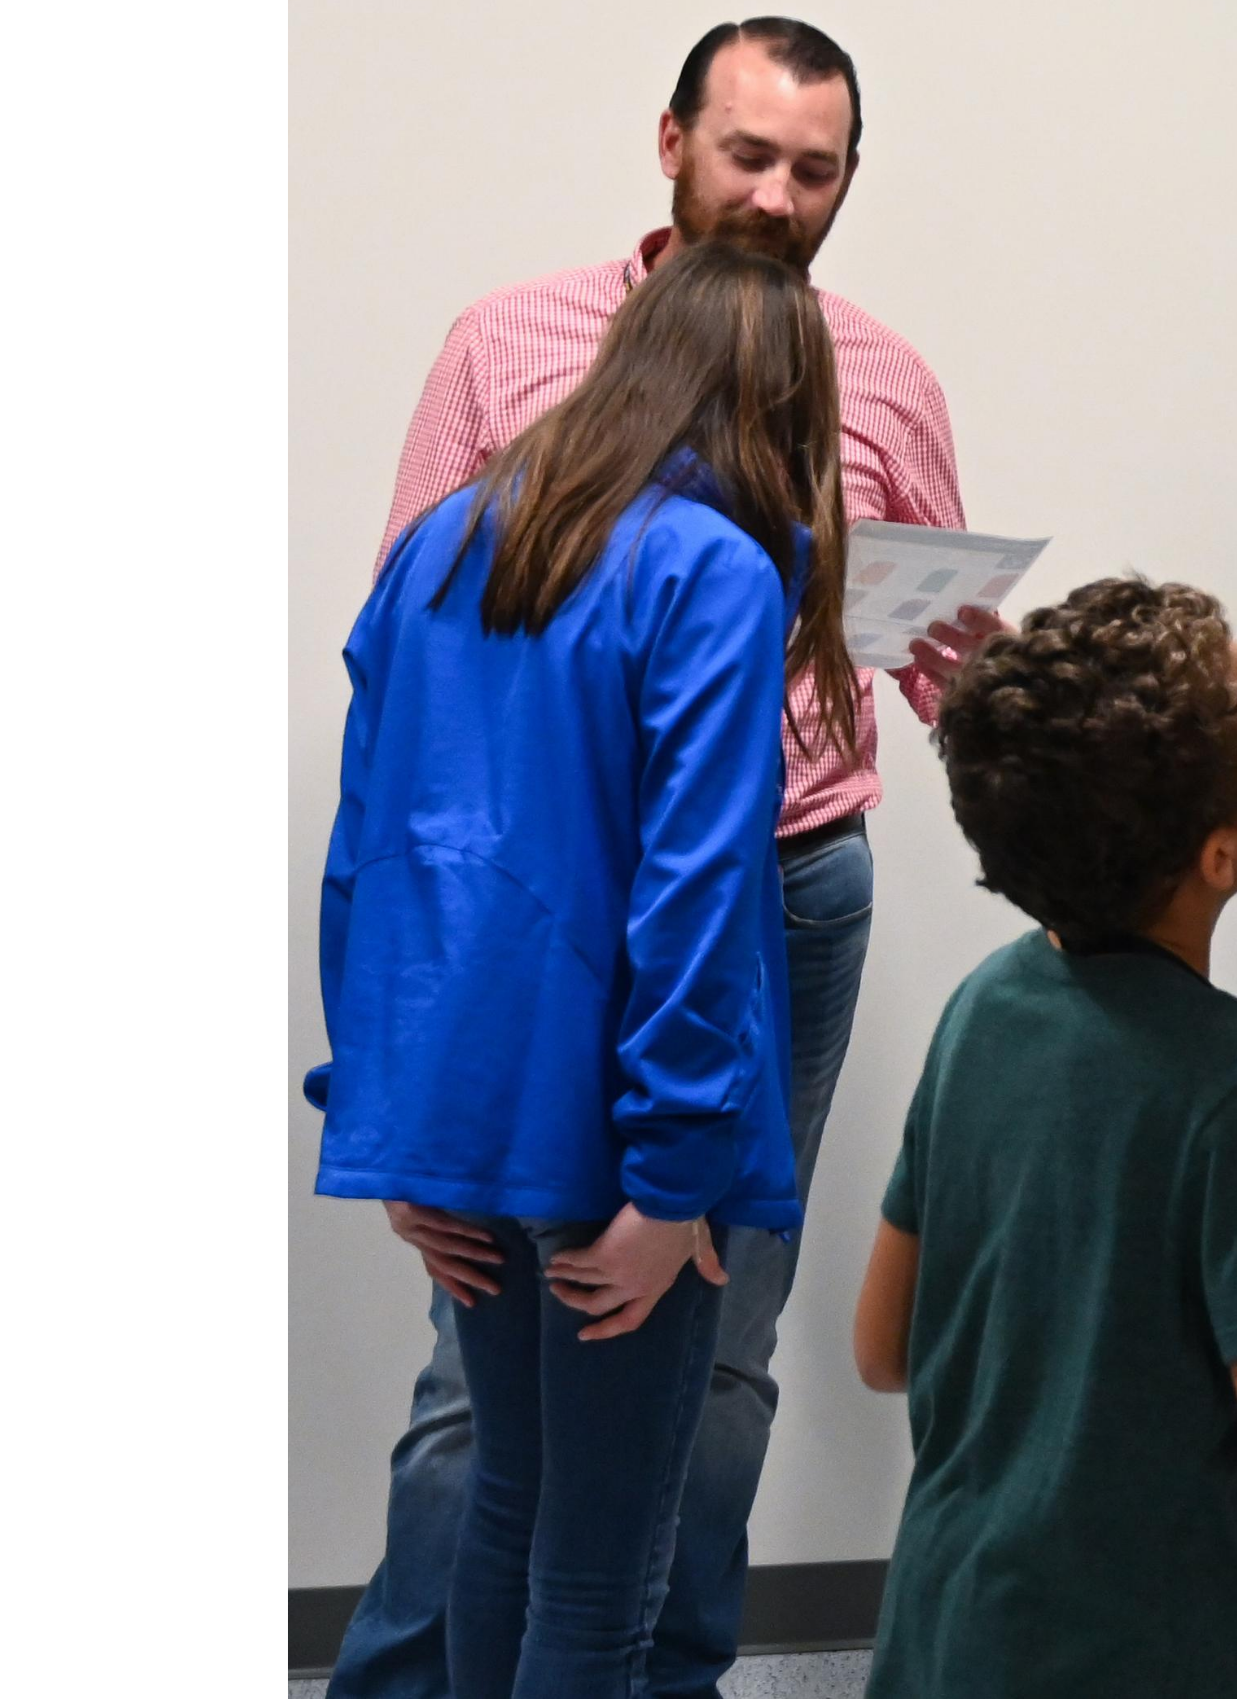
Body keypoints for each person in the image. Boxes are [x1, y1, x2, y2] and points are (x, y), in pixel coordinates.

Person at [330, 16, 988, 1699]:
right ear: (672, 142)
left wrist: (385, 1102)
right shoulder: (634, 484)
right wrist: (680, 1166)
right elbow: (666, 863)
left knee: (696, 1374)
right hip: (606, 940)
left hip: (721, 922)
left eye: (815, 168)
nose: (777, 192)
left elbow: (379, 812)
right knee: (531, 1452)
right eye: (749, 154)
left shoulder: (882, 377)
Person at [311, 240, 851, 1697]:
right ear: (781, 404)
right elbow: (695, 892)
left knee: (510, 1505)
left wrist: (383, 1114)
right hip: (620, 1133)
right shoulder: (718, 571)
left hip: (460, 1109)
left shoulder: (445, 540)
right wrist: (672, 1180)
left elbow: (370, 846)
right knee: (601, 1571)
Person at [850, 577, 1237, 1698]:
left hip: (944, 1636)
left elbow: (885, 1347)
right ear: (1217, 854)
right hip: (1128, 1656)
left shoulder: (985, 1004)